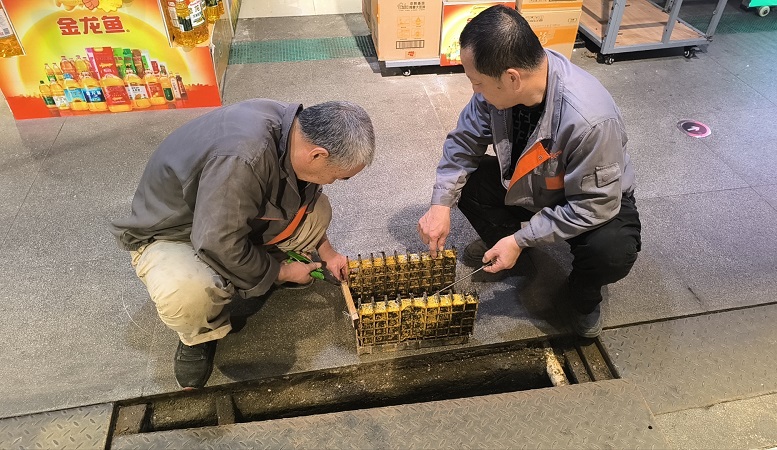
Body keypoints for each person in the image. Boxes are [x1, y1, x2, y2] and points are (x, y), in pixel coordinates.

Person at [111, 99, 375, 389]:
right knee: (188, 292)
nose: (336, 181)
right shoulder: (243, 158)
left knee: (318, 212)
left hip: (220, 217)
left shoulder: (294, 131)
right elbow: (217, 241)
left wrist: (328, 254)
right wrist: (282, 272)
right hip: (175, 231)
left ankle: (256, 269)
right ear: (317, 154)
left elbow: (304, 198)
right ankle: (198, 336)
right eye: (339, 176)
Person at [417, 5, 641, 339]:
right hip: (533, 185)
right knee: (466, 182)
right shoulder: (500, 87)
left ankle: (582, 296)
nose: (475, 90)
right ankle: (506, 246)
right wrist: (440, 204)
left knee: (611, 251)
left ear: (512, 78)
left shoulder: (590, 119)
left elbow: (594, 204)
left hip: (588, 200)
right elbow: (463, 142)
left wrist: (522, 238)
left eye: (477, 82)